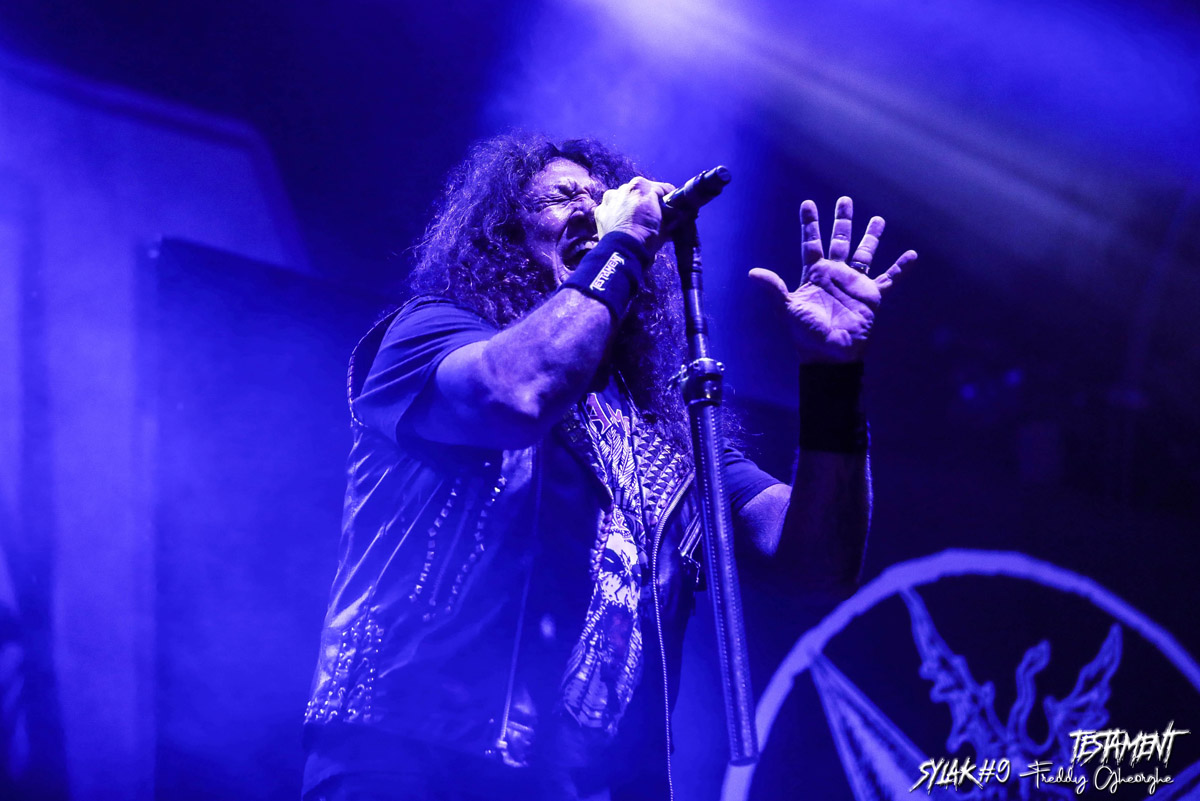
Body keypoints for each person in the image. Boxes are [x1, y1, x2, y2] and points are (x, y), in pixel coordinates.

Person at [301, 133, 916, 801]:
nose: (591, 212)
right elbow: (519, 395)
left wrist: (833, 376)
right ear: (505, 232)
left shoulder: (670, 432)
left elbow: (818, 561)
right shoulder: (427, 333)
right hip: (414, 759)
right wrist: (623, 241)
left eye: (602, 202)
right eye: (564, 197)